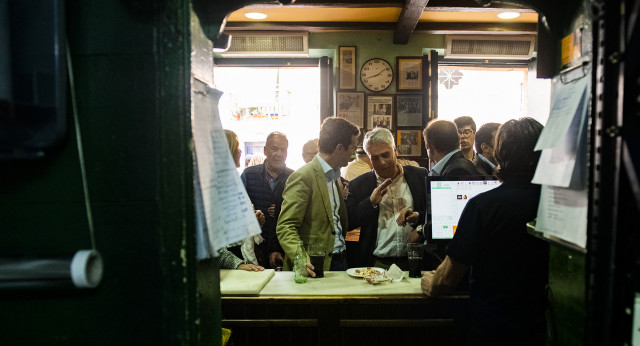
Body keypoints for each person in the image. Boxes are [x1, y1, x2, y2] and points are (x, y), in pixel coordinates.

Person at [421, 118, 549, 345]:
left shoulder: (483, 206)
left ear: (499, 154)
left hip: (493, 329)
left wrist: (430, 283)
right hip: (544, 329)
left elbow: (447, 278)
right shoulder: (556, 205)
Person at [276, 117, 360, 275]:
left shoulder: (335, 176)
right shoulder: (303, 176)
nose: (353, 154)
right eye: (352, 148)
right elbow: (285, 227)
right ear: (339, 148)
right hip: (315, 266)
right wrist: (300, 257)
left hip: (340, 260)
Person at [346, 128, 428, 269]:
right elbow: (350, 225)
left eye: (386, 155)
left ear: (395, 151)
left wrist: (418, 221)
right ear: (369, 158)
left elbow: (432, 214)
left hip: (415, 260)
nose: (382, 162)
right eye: (375, 158)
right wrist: (370, 203)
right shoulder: (358, 185)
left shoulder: (420, 176)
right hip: (376, 263)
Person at [240, 131, 293, 269]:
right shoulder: (248, 175)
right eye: (274, 149)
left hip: (284, 247)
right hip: (255, 250)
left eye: (283, 150)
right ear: (265, 150)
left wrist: (281, 210)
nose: (279, 154)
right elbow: (238, 213)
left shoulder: (294, 177)